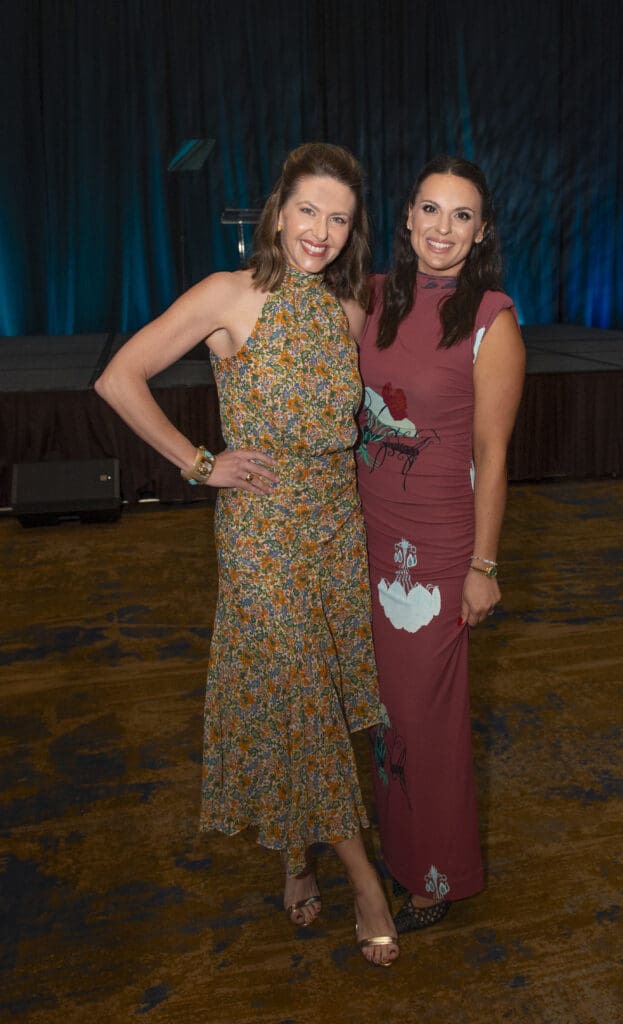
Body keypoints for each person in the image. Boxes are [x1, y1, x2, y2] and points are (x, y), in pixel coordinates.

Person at [96, 143, 399, 966]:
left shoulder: (346, 309)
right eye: (309, 211)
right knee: (299, 692)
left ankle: (294, 858)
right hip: (261, 529)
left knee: (314, 697)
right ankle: (363, 880)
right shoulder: (229, 296)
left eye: (339, 219)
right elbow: (119, 378)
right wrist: (200, 463)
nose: (322, 232)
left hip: (337, 525)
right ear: (277, 211)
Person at [355, 156, 525, 933]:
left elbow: (491, 458)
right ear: (406, 218)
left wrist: (483, 567)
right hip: (360, 535)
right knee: (385, 713)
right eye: (430, 209)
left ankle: (437, 875)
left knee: (427, 716)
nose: (442, 229)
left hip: (437, 548)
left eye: (461, 216)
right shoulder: (374, 297)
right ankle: (394, 850)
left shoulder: (491, 318)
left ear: (481, 231)